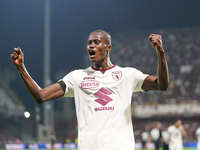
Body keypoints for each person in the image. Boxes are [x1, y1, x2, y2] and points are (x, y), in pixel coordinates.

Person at [11, 30, 169, 150]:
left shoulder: (127, 75)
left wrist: (160, 53)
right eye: (89, 43)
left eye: (96, 42)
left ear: (108, 47)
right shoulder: (77, 77)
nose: (91, 46)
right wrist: (21, 68)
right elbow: (41, 95)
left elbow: (161, 85)